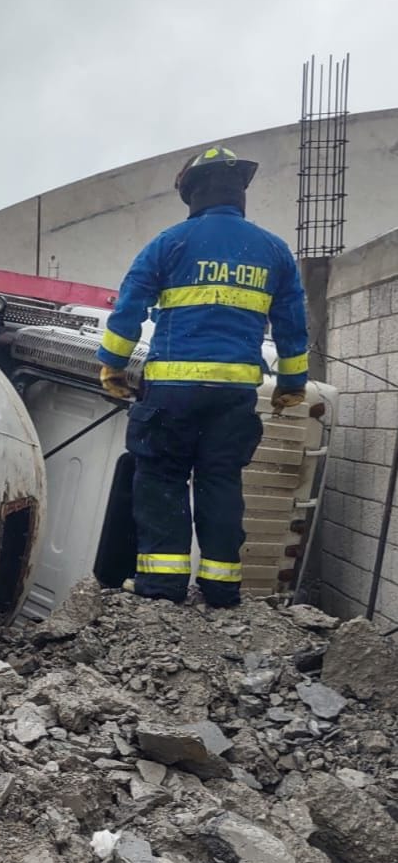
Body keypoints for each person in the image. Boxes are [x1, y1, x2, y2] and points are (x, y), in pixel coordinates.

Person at [96, 145, 310, 609]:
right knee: (221, 480)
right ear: (239, 193)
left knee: (162, 480)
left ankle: (162, 585)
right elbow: (294, 324)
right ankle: (221, 588)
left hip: (172, 394)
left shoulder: (169, 242)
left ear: (192, 192)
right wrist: (292, 386)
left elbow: (130, 306)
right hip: (234, 396)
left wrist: (113, 364)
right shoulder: (274, 251)